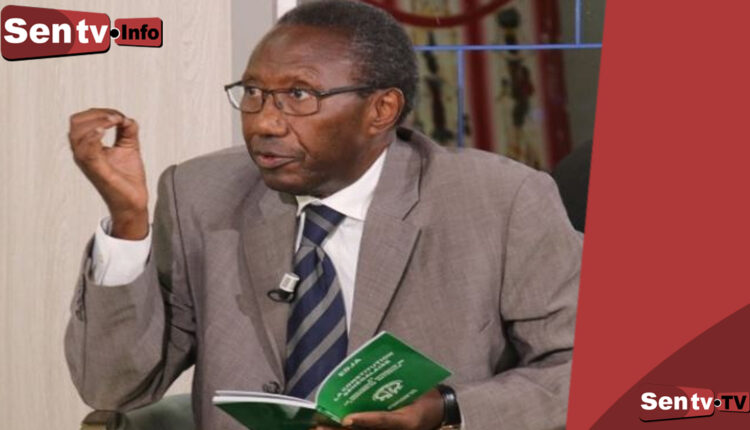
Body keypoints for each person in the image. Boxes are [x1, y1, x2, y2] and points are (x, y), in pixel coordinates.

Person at [65, 1, 582, 429]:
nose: (264, 122)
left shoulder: (500, 201)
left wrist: (447, 408)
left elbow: (583, 370)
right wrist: (128, 221)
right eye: (253, 93)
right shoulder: (200, 194)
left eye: (298, 95)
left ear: (381, 110)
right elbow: (114, 387)